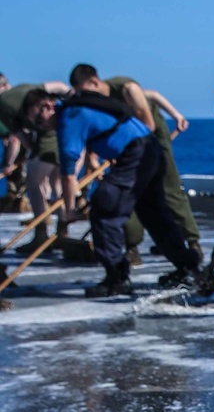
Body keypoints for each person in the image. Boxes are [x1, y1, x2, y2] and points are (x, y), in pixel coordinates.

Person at [21, 83, 202, 298]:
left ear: (48, 105)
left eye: (40, 121)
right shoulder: (78, 106)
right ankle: (187, 267)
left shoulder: (69, 116)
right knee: (154, 213)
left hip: (136, 154)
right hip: (151, 149)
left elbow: (68, 173)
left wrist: (68, 212)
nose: (44, 128)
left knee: (105, 207)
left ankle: (117, 278)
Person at [69, 64, 202, 275]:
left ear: (95, 82)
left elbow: (147, 124)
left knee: (169, 191)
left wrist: (176, 116)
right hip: (127, 147)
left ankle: (192, 242)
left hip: (150, 142)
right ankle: (132, 246)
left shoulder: (126, 88)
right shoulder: (97, 101)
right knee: (127, 198)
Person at [0, 74, 71, 245]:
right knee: (56, 183)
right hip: (58, 131)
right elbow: (19, 134)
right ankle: (62, 231)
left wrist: (76, 100)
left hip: (52, 132)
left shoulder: (6, 102)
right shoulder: (16, 96)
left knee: (34, 181)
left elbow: (18, 137)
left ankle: (42, 233)